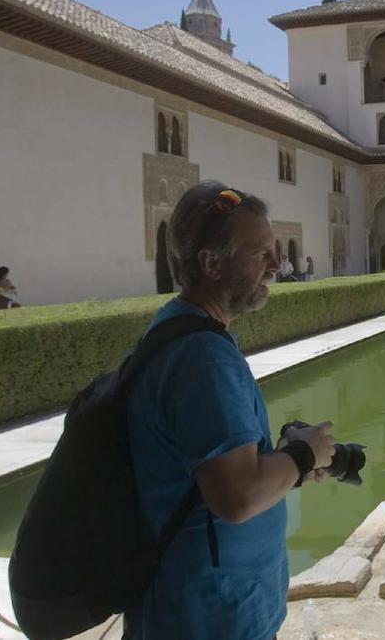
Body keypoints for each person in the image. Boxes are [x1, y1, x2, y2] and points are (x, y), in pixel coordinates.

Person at [124, 181, 336, 640]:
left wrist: (286, 463)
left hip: (209, 607)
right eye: (262, 253)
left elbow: (219, 471)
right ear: (212, 263)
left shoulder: (182, 329)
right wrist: (306, 455)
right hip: (208, 616)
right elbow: (236, 497)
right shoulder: (202, 356)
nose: (278, 266)